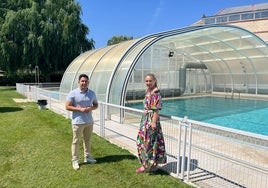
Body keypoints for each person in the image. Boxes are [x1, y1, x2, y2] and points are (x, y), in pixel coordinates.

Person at [65, 74, 98, 170]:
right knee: (76, 141)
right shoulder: (73, 93)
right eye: (82, 81)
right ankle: (75, 160)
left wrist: (91, 108)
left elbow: (96, 105)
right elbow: (67, 106)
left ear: (88, 82)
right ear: (78, 82)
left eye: (86, 81)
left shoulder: (92, 93)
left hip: (89, 121)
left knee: (87, 140)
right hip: (78, 122)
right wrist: (80, 109)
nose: (84, 83)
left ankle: (87, 157)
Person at [136, 73, 167, 173]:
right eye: (146, 81)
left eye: (150, 81)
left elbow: (156, 110)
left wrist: (153, 122)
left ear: (154, 81)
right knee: (141, 142)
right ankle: (147, 164)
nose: (148, 83)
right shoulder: (148, 91)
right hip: (145, 120)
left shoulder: (156, 93)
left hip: (151, 121)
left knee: (151, 143)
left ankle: (149, 164)